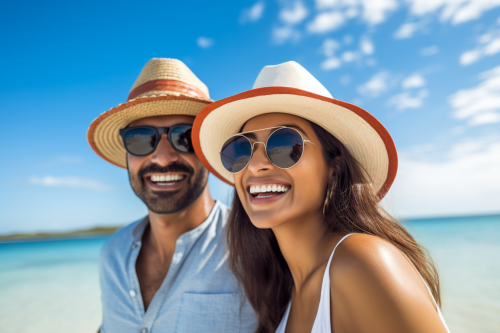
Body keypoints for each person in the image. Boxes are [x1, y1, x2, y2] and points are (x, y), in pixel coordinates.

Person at [192, 61, 451, 333]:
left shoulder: (362, 262)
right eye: (242, 149)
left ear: (334, 165)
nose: (256, 165)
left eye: (284, 145)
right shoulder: (284, 292)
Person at [87, 58, 257, 333]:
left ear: (209, 151)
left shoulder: (256, 249)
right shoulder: (112, 254)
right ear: (128, 155)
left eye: (185, 137)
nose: (163, 158)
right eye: (141, 139)